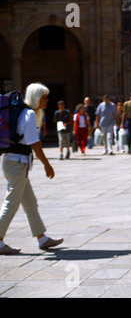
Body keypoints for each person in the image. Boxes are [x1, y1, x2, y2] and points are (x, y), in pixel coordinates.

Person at [0, 83, 63, 255]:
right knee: (11, 203)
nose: (47, 100)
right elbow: (34, 143)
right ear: (36, 97)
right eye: (44, 97)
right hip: (17, 164)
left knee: (30, 203)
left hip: (17, 163)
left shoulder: (26, 113)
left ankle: (42, 238)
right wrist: (47, 164)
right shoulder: (28, 114)